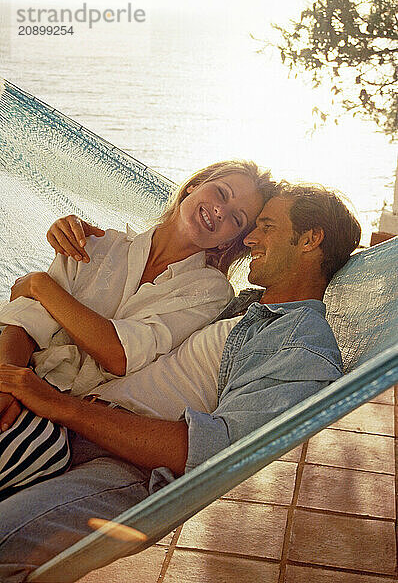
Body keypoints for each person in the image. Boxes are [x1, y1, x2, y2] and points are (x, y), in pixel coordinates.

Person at [0, 182, 361, 582]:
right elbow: (138, 303)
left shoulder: (301, 343)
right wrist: (94, 254)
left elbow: (226, 457)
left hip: (123, 466)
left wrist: (61, 406)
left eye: (266, 226)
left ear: (310, 239)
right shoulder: (241, 306)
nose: (251, 239)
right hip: (73, 426)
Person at [0, 160, 271, 493]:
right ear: (193, 186)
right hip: (10, 364)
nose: (220, 210)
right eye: (221, 192)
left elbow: (120, 354)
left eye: (237, 218)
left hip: (55, 418)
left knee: (39, 448)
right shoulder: (97, 242)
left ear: (228, 243)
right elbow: (23, 320)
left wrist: (41, 283)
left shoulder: (209, 291)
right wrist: (7, 381)